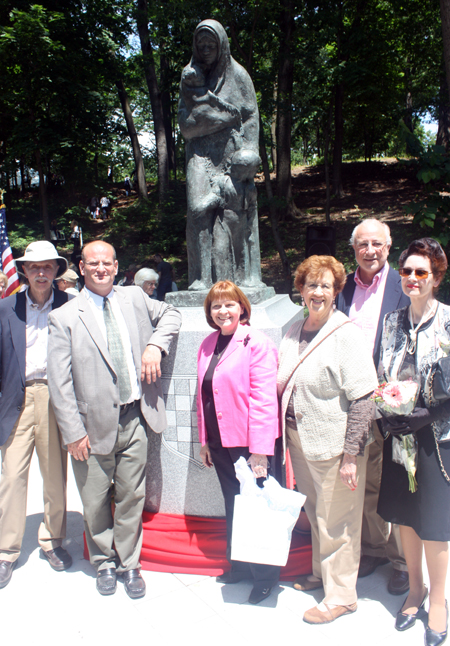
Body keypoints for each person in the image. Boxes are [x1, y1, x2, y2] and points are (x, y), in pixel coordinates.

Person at [47, 241, 181, 598]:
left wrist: (155, 345)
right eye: (93, 264)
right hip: (90, 429)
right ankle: (104, 562)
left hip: (135, 417)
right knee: (94, 500)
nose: (101, 269)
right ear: (82, 266)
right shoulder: (64, 317)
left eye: (106, 263)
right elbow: (58, 382)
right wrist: (73, 432)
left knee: (131, 496)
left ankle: (129, 563)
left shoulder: (134, 297)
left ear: (116, 265)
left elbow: (172, 315)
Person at [277, 255, 378, 624]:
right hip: (301, 441)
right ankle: (322, 575)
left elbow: (364, 396)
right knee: (318, 512)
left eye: (325, 285)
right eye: (310, 284)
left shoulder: (346, 333)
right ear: (300, 290)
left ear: (337, 291)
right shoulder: (294, 330)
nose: (316, 292)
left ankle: (342, 596)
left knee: (339, 521)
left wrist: (351, 453)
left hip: (337, 447)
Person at [377, 238, 450, 645]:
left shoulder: (449, 322)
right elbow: (381, 374)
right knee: (405, 515)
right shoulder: (391, 322)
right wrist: (388, 411)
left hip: (437, 438)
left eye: (422, 272)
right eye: (406, 271)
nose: (412, 279)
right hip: (399, 434)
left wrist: (428, 414)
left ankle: (438, 601)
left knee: (435, 521)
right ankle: (415, 590)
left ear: (436, 277)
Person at [336, 218, 410, 595]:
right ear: (354, 248)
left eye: (377, 244)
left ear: (389, 245)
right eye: (363, 244)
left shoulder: (405, 284)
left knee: (397, 483)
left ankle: (403, 562)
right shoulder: (341, 287)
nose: (370, 250)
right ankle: (375, 549)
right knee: (362, 482)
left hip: (393, 402)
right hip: (352, 404)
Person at [197, 280, 280, 605]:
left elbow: (263, 400)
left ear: (242, 307)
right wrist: (205, 441)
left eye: (229, 304)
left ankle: (266, 577)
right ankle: (242, 565)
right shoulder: (207, 343)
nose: (223, 311)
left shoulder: (256, 343)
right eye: (216, 306)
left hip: (248, 445)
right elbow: (203, 397)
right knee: (235, 505)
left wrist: (260, 451)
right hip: (219, 442)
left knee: (257, 509)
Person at [0, 241, 73, 589]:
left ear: (57, 270)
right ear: (24, 271)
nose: (41, 273)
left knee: (54, 475)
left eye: (48, 267)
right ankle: (6, 552)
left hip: (54, 400)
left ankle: (52, 541)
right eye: (34, 267)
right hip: (15, 399)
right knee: (11, 478)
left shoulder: (72, 307)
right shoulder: (5, 309)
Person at [178, 20, 263, 291]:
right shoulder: (189, 76)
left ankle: (243, 279)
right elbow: (186, 126)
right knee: (197, 212)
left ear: (222, 45)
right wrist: (223, 120)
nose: (205, 49)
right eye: (201, 44)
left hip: (233, 158)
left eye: (211, 44)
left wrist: (249, 155)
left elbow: (250, 117)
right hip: (200, 156)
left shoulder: (238, 75)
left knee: (236, 218)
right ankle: (201, 277)